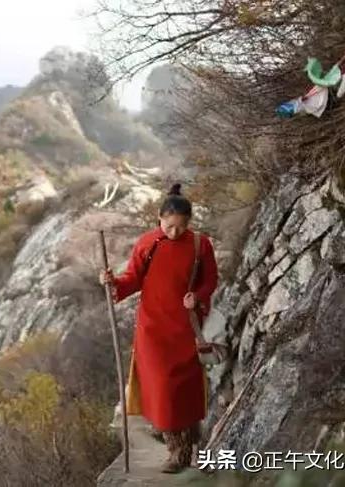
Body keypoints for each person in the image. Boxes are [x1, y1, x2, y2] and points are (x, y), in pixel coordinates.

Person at [99, 182, 218, 473]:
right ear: (160, 219)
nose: (174, 232)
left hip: (185, 328)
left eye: (180, 226)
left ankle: (189, 443)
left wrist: (198, 296)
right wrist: (112, 283)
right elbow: (132, 279)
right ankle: (176, 451)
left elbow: (210, 279)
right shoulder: (147, 243)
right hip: (153, 330)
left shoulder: (200, 244)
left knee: (184, 390)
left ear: (189, 223)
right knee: (162, 390)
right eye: (169, 225)